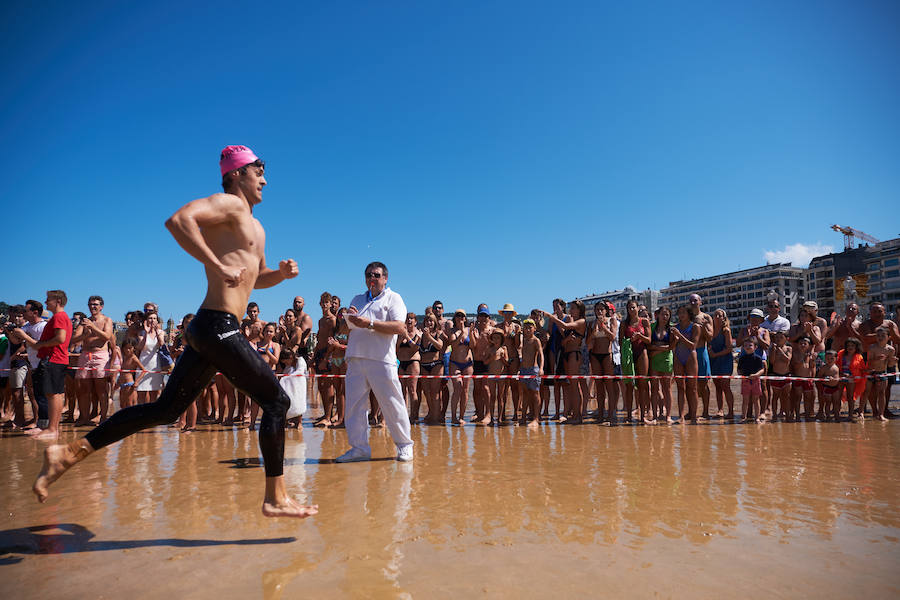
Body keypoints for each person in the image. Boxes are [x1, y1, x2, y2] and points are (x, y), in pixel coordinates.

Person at [32, 145, 316, 518]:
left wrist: (279, 274)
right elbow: (179, 220)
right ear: (236, 174)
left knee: (167, 409)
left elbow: (252, 278)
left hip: (208, 327)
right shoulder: (227, 204)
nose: (265, 179)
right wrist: (215, 264)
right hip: (217, 325)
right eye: (257, 171)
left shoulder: (257, 226)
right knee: (277, 402)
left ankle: (68, 454)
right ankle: (276, 497)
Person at [335, 261, 414, 462]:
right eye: (369, 275)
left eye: (377, 275)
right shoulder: (357, 299)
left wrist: (368, 323)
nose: (372, 278)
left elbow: (398, 326)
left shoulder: (394, 298)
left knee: (392, 403)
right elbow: (344, 330)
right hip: (355, 357)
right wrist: (348, 320)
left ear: (385, 279)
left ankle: (405, 445)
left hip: (381, 359)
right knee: (354, 406)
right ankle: (359, 449)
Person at [15, 290, 73, 440]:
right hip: (56, 359)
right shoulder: (61, 317)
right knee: (55, 394)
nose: (46, 303)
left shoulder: (59, 316)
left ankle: (52, 429)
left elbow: (60, 338)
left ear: (58, 301)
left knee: (53, 395)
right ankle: (51, 428)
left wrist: (41, 344)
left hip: (53, 359)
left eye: (48, 300)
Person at [71, 296, 115, 425]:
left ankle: (103, 417)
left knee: (101, 389)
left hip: (100, 354)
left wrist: (93, 327)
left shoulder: (107, 320)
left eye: (95, 304)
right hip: (85, 354)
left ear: (101, 306)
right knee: (84, 389)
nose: (92, 307)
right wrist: (85, 334)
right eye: (90, 304)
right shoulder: (85, 321)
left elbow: (107, 336)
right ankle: (85, 418)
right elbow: (74, 339)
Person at [587, 301, 619, 424]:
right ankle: (600, 414)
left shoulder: (612, 321)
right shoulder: (591, 323)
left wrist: (603, 327)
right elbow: (588, 342)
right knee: (599, 387)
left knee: (609, 386)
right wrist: (594, 331)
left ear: (606, 310)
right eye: (597, 309)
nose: (599, 312)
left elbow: (612, 337)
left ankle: (611, 414)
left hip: (607, 355)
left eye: (602, 309)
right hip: (595, 355)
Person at [689, 294, 715, 421]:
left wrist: (703, 326)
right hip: (689, 352)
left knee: (703, 384)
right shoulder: (687, 316)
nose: (693, 302)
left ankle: (705, 412)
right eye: (691, 301)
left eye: (695, 300)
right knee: (690, 384)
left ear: (700, 302)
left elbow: (710, 337)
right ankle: (691, 411)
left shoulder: (706, 317)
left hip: (701, 351)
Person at [446, 309, 474, 425]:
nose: (460, 318)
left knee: (465, 390)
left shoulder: (469, 330)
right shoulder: (452, 331)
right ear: (455, 318)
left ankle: (461, 416)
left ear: (465, 318)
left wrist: (470, 334)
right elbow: (453, 345)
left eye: (462, 316)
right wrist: (462, 333)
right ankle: (453, 417)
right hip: (455, 363)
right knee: (457, 388)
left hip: (468, 363)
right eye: (458, 315)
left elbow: (473, 346)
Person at [648, 306, 675, 424]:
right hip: (654, 360)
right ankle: (654, 415)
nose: (664, 317)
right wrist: (662, 348)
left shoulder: (672, 329)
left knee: (667, 389)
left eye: (667, 315)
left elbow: (672, 347)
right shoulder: (651, 327)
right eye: (662, 314)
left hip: (666, 360)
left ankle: (668, 415)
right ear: (658, 315)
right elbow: (648, 345)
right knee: (654, 388)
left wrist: (656, 349)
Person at [709, 309, 735, 420]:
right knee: (717, 387)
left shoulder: (726, 330)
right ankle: (720, 410)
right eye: (715, 315)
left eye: (720, 315)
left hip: (725, 360)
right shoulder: (710, 330)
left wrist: (716, 354)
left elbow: (729, 348)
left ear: (724, 318)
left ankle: (731, 411)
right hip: (714, 361)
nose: (717, 317)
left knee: (726, 386)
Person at [518, 318, 544, 428]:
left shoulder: (535, 340)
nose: (528, 330)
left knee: (535, 393)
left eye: (530, 327)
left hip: (533, 369)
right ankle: (523, 417)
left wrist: (541, 368)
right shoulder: (522, 340)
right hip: (523, 370)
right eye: (526, 328)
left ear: (534, 329)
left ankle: (536, 418)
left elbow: (541, 355)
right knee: (525, 394)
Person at [397, 312, 421, 425]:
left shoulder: (418, 333)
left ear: (415, 321)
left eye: (412, 319)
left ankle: (414, 415)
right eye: (407, 319)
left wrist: (407, 337)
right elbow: (395, 348)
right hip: (402, 362)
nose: (409, 321)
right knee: (402, 390)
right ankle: (403, 415)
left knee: (412, 390)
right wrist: (401, 337)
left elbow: (414, 348)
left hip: (413, 362)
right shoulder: (401, 334)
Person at [865, 327, 895, 421]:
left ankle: (881, 414)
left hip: (883, 372)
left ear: (888, 337)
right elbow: (869, 362)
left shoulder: (891, 349)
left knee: (882, 393)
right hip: (871, 371)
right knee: (868, 392)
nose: (880, 337)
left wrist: (893, 362)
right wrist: (876, 359)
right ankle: (868, 411)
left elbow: (889, 365)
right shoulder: (872, 347)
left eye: (883, 335)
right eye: (878, 336)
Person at [737, 338, 766, 424]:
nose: (748, 347)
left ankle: (757, 418)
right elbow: (739, 369)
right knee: (745, 400)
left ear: (755, 347)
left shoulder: (758, 358)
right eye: (745, 346)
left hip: (756, 381)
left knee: (756, 400)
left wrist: (756, 375)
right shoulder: (742, 358)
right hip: (745, 381)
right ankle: (743, 417)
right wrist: (741, 375)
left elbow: (762, 370)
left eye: (750, 345)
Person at [767, 330, 792, 422]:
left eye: (781, 337)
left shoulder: (788, 348)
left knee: (786, 396)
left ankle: (786, 413)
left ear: (786, 339)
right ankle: (774, 414)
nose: (778, 339)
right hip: (776, 375)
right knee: (775, 396)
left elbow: (787, 360)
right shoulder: (772, 349)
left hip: (786, 375)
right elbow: (772, 362)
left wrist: (780, 351)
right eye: (776, 337)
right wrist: (774, 350)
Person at [817, 350, 841, 421]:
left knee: (836, 402)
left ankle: (837, 415)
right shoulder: (824, 368)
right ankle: (828, 416)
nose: (829, 360)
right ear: (825, 358)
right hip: (827, 388)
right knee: (828, 402)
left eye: (832, 358)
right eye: (827, 359)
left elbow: (838, 376)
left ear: (836, 359)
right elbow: (819, 377)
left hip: (835, 387)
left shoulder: (837, 367)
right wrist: (826, 378)